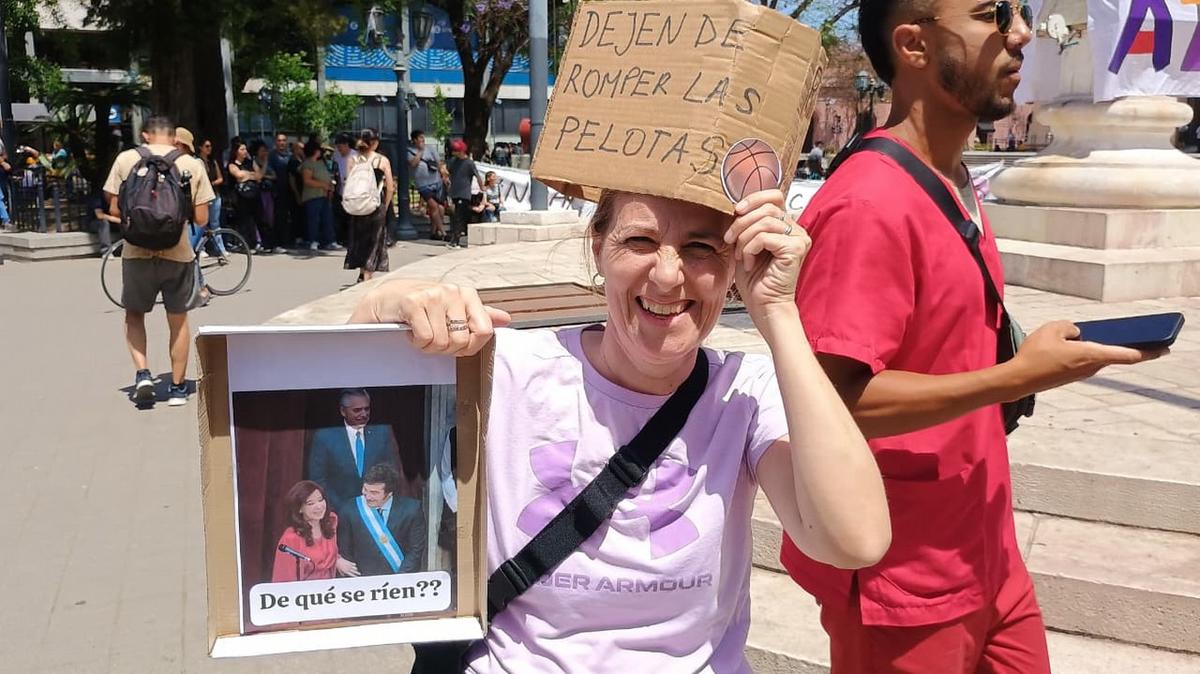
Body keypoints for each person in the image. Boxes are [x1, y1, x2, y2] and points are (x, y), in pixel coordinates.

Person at [350, 179, 891, 670]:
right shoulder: (506, 367)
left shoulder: (746, 391)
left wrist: (779, 312)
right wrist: (386, 304)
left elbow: (854, 539)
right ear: (597, 247)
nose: (667, 275)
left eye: (702, 248)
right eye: (640, 242)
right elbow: (329, 396)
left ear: (732, 270)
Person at [780, 1, 1168, 672]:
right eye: (992, 14)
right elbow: (834, 406)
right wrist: (1022, 376)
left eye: (1017, 12)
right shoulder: (868, 203)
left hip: (987, 551)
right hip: (904, 581)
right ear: (914, 45)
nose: (1020, 34)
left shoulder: (954, 179)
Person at [102, 116, 215, 407]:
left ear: (145, 135)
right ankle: (177, 389)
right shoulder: (191, 164)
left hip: (136, 253)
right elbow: (202, 218)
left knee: (134, 315)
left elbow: (115, 206)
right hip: (177, 253)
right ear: (174, 137)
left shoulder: (127, 159)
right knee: (178, 321)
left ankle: (142, 373)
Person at [306, 388, 401, 514]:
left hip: (375, 511)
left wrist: (378, 501)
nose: (363, 414)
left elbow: (390, 471)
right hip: (339, 512)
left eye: (366, 409)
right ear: (343, 411)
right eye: (357, 410)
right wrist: (343, 509)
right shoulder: (324, 437)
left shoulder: (382, 433)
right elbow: (318, 480)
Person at [336, 463, 427, 576]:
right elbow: (345, 551)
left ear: (389, 493)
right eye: (365, 489)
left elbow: (415, 551)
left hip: (400, 583)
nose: (368, 496)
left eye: (374, 493)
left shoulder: (412, 510)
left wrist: (400, 580)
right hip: (362, 581)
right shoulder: (349, 510)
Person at [271, 480, 356, 582]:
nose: (319, 506)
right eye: (311, 503)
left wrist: (337, 560)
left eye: (320, 500)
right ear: (299, 509)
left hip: (330, 590)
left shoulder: (331, 521)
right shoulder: (291, 539)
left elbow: (328, 553)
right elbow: (284, 579)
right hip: (306, 594)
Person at [343, 128, 394, 283]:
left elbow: (348, 183)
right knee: (374, 241)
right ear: (375, 143)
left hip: (357, 205)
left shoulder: (353, 160)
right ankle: (367, 275)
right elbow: (390, 187)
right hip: (375, 205)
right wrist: (385, 205)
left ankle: (361, 271)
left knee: (360, 239)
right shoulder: (381, 160)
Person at [300, 139, 341, 252]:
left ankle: (330, 241)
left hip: (324, 195)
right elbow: (307, 180)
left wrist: (329, 186)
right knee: (314, 219)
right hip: (313, 196)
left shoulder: (321, 162)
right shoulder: (308, 164)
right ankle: (313, 240)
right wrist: (323, 185)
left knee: (327, 218)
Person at [408, 130, 447, 240]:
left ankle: (434, 232)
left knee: (440, 208)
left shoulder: (430, 148)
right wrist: (420, 151)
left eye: (423, 137)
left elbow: (438, 163)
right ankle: (443, 232)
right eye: (420, 137)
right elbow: (413, 163)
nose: (422, 139)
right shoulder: (410, 151)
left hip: (436, 181)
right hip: (423, 184)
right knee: (433, 206)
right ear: (414, 140)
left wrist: (443, 175)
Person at [227, 139, 263, 252]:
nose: (245, 151)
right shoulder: (232, 164)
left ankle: (261, 243)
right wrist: (250, 175)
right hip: (240, 197)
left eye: (245, 149)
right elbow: (238, 175)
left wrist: (247, 175)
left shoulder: (250, 161)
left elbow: (259, 175)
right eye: (242, 149)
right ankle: (246, 245)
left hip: (253, 195)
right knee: (244, 221)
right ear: (236, 151)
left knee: (258, 218)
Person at [446, 139, 481, 249]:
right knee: (455, 216)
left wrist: (482, 187)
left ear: (461, 151)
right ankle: (455, 238)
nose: (453, 153)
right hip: (454, 192)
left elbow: (477, 175)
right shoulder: (453, 161)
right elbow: (448, 172)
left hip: (464, 193)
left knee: (459, 217)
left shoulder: (469, 163)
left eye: (455, 151)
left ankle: (455, 240)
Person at [251, 140, 283, 253]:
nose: (265, 153)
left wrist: (265, 175)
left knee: (270, 217)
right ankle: (260, 240)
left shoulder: (268, 162)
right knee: (262, 216)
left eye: (266, 150)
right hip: (260, 192)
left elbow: (273, 175)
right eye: (262, 151)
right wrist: (264, 167)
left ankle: (270, 240)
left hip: (269, 192)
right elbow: (259, 175)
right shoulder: (254, 161)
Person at [267, 133, 295, 247]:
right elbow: (269, 171)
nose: (282, 143)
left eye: (284, 140)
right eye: (279, 140)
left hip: (290, 190)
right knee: (278, 217)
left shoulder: (290, 155)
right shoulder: (272, 156)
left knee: (290, 217)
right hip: (277, 191)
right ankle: (278, 242)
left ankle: (289, 240)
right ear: (275, 142)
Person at [332, 132, 357, 244]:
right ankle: (342, 237)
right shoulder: (336, 155)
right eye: (337, 147)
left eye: (340, 146)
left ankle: (351, 238)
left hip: (352, 190)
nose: (339, 149)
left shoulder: (355, 155)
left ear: (347, 145)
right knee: (340, 215)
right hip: (340, 189)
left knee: (351, 217)